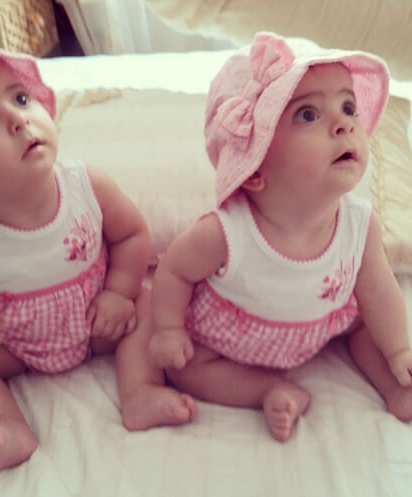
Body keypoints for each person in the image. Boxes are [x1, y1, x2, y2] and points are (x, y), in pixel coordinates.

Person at [0, 19, 195, 478]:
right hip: (11, 342)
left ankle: (141, 391)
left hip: (95, 319)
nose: (17, 119)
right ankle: (3, 423)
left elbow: (131, 235)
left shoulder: (86, 186)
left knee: (149, 303)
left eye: (20, 98)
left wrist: (118, 293)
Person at [149, 32, 412, 442]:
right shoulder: (227, 232)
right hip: (230, 341)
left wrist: (399, 350)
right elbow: (174, 271)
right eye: (308, 115)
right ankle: (267, 391)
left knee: (366, 328)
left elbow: (379, 292)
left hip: (322, 325)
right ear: (254, 169)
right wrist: (168, 329)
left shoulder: (360, 225)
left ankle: (396, 387)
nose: (344, 123)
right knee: (185, 369)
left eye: (348, 106)